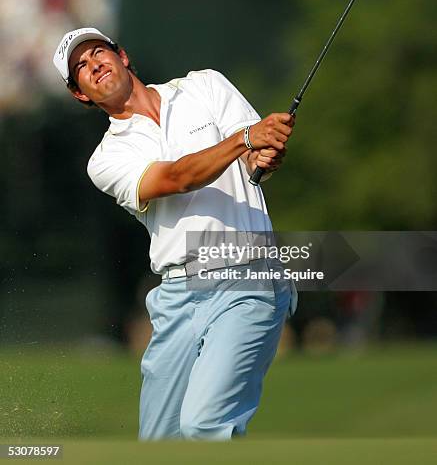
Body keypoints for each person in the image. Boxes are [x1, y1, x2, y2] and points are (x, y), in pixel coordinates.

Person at [53, 27, 297, 440]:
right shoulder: (106, 158)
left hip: (249, 275)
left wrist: (264, 154)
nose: (93, 64)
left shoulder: (205, 85)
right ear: (80, 94)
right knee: (159, 444)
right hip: (178, 295)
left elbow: (253, 161)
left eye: (97, 53)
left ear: (122, 56)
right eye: (80, 67)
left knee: (205, 426)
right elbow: (177, 178)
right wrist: (245, 140)